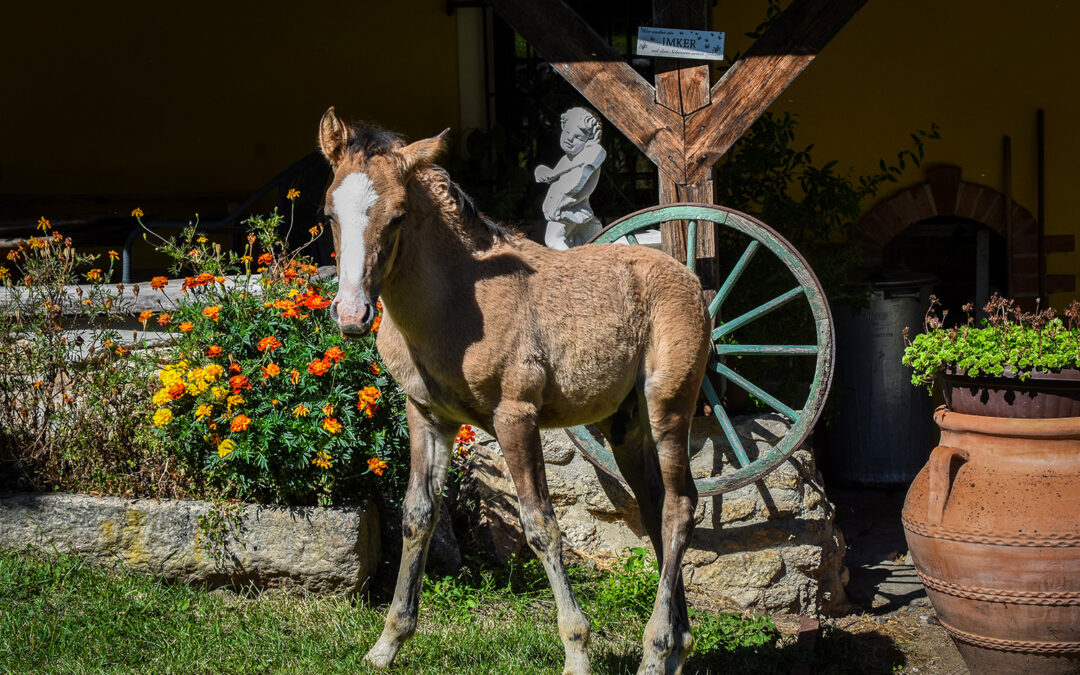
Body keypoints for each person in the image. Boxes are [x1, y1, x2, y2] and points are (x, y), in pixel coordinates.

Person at [534, 107, 607, 249]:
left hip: (570, 208)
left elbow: (574, 186)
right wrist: (544, 172)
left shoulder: (593, 153)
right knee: (591, 242)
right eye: (567, 132)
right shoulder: (568, 159)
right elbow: (552, 176)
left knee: (553, 240)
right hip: (575, 210)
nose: (569, 139)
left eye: (578, 137)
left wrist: (558, 206)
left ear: (589, 140)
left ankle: (571, 269)